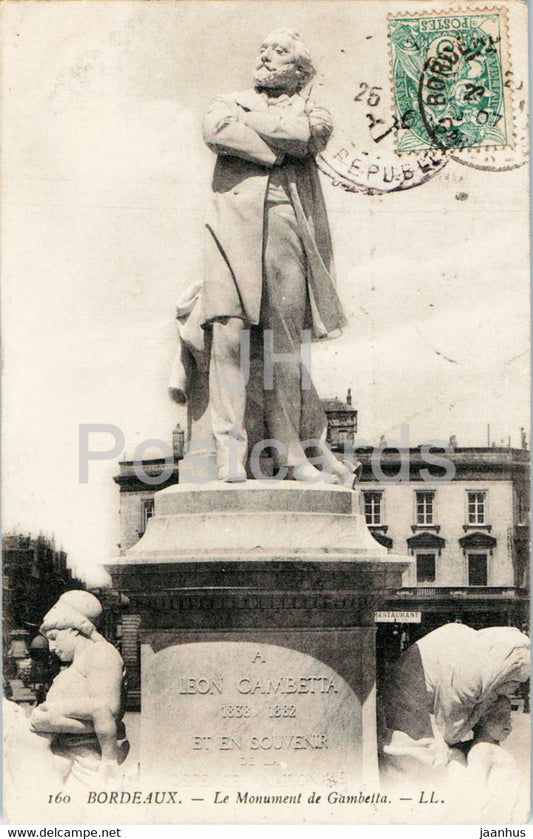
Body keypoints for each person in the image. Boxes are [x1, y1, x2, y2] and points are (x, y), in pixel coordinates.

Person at [172, 29, 352, 484]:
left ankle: (292, 456)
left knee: (285, 346)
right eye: (264, 50)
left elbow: (310, 136)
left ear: (300, 70)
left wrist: (254, 131)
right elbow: (216, 131)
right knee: (229, 334)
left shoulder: (316, 112)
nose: (266, 56)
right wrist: (277, 150)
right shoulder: (226, 99)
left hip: (289, 223)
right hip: (231, 222)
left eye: (279, 52)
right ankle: (228, 451)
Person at [378, 623, 530, 784]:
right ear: (501, 672)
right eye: (515, 680)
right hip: (407, 729)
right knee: (451, 771)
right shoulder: (472, 677)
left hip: (407, 705)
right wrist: (484, 704)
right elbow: (450, 732)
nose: (516, 688)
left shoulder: (473, 652)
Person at [28, 591, 128, 786]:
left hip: (84, 760)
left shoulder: (101, 653)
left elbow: (108, 711)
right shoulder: (76, 663)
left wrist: (54, 718)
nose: (51, 647)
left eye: (55, 637)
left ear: (74, 629)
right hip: (62, 753)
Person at [448, 697, 529, 821]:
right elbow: (474, 793)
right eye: (500, 716)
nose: (508, 723)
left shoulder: (487, 749)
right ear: (480, 719)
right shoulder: (482, 750)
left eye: (509, 717)